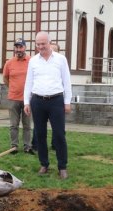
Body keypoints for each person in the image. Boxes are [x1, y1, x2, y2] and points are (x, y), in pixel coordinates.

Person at [24, 31, 72, 180]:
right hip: (37, 101)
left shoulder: (60, 59)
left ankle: (62, 167)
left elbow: (67, 81)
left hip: (56, 100)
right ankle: (44, 164)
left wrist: (67, 102)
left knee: (59, 134)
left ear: (49, 43)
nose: (40, 47)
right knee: (40, 134)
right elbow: (28, 82)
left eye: (43, 44)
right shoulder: (33, 61)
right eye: (38, 44)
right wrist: (26, 101)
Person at [3, 37, 33, 154]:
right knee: (13, 125)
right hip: (13, 98)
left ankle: (27, 147)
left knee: (27, 125)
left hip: (27, 100)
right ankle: (14, 146)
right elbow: (5, 78)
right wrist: (12, 87)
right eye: (16, 47)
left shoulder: (31, 61)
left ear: (25, 47)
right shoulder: (9, 63)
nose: (18, 49)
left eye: (20, 47)